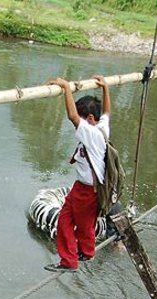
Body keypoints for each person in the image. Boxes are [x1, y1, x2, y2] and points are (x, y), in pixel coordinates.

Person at [44, 75, 111, 273]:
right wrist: (106, 89)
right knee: (78, 221)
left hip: (87, 190)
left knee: (72, 222)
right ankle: (86, 252)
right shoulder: (101, 126)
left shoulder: (92, 134)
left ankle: (69, 261)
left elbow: (72, 117)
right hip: (84, 188)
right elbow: (107, 112)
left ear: (90, 118)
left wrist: (66, 88)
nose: (77, 124)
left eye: (82, 120)